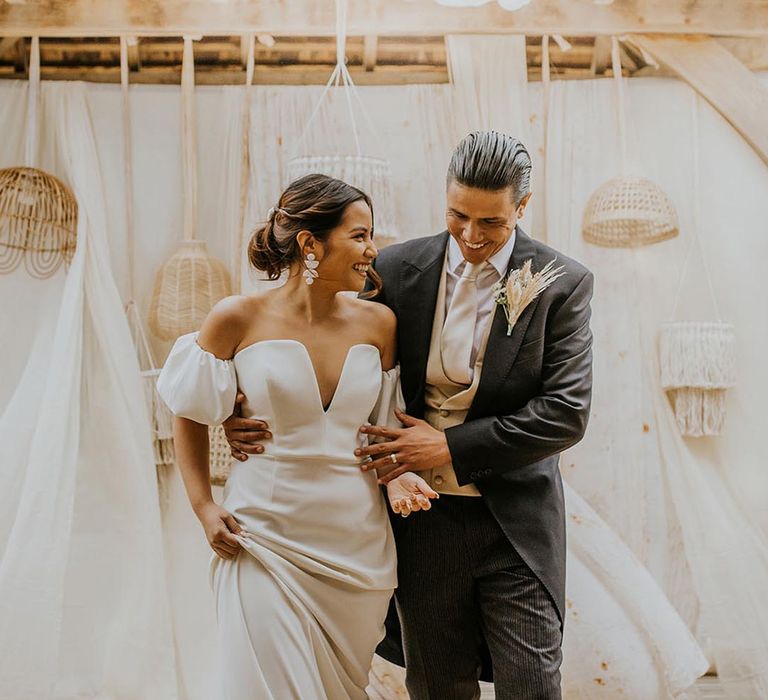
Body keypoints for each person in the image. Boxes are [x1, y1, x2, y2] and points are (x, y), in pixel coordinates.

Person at [223, 132, 707, 699]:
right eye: (458, 216)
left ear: (521, 209)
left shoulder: (562, 283)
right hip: (419, 524)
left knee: (532, 685)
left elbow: (566, 412)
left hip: (516, 520)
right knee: (436, 686)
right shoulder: (397, 268)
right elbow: (330, 355)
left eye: (492, 223)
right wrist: (242, 404)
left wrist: (450, 448)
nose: (472, 237)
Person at [156, 173, 438, 700]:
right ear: (311, 242)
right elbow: (189, 409)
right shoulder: (236, 317)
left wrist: (400, 481)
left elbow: (384, 424)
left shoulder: (380, 324)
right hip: (263, 540)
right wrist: (202, 505)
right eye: (359, 235)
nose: (372, 250)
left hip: (358, 554)